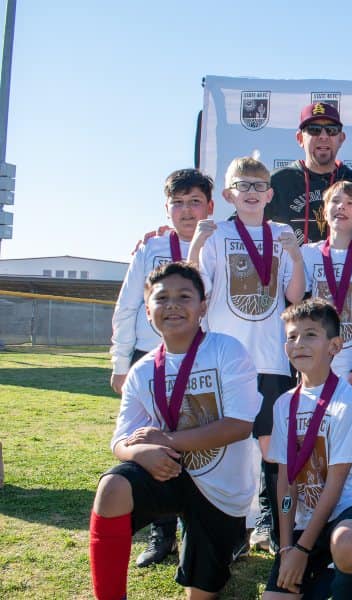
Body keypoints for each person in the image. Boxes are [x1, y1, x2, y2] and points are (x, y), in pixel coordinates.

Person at [89, 262, 261, 600]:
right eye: (161, 297)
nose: (172, 305)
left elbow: (240, 426)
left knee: (201, 594)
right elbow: (120, 440)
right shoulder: (141, 371)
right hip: (170, 473)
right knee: (112, 487)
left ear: (202, 306)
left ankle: (229, 540)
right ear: (148, 308)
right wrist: (141, 453)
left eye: (184, 296)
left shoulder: (227, 351)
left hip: (220, 490)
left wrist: (165, 440)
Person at [189, 156, 305, 554]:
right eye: (244, 186)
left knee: (272, 452)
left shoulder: (281, 233)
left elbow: (294, 296)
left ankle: (273, 527)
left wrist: (296, 256)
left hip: (271, 360)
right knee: (228, 450)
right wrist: (194, 246)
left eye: (259, 187)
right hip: (227, 361)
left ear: (270, 194)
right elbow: (197, 294)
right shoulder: (217, 235)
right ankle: (230, 530)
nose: (252, 193)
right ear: (228, 194)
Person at [108, 168, 215, 567]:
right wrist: (121, 363)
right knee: (150, 442)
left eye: (194, 202)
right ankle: (161, 532)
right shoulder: (151, 248)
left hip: (197, 361)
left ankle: (197, 527)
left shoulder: (220, 241)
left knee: (195, 441)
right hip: (149, 359)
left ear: (209, 205)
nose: (186, 211)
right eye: (178, 203)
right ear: (166, 208)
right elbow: (127, 306)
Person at [263, 299, 352, 599]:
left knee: (344, 544)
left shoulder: (349, 403)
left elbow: (335, 485)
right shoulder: (283, 406)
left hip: (351, 509)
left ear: (335, 346)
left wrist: (303, 548)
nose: (299, 343)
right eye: (291, 336)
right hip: (309, 519)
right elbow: (285, 482)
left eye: (310, 335)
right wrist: (287, 547)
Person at [300, 181, 352, 388]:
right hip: (316, 363)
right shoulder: (308, 254)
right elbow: (298, 311)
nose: (341, 206)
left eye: (350, 203)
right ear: (325, 212)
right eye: (335, 201)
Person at [269, 102, 352, 245]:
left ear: (341, 139)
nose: (323, 136)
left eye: (331, 130)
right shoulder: (278, 182)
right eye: (314, 129)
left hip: (344, 267)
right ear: (300, 138)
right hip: (289, 267)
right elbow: (242, 230)